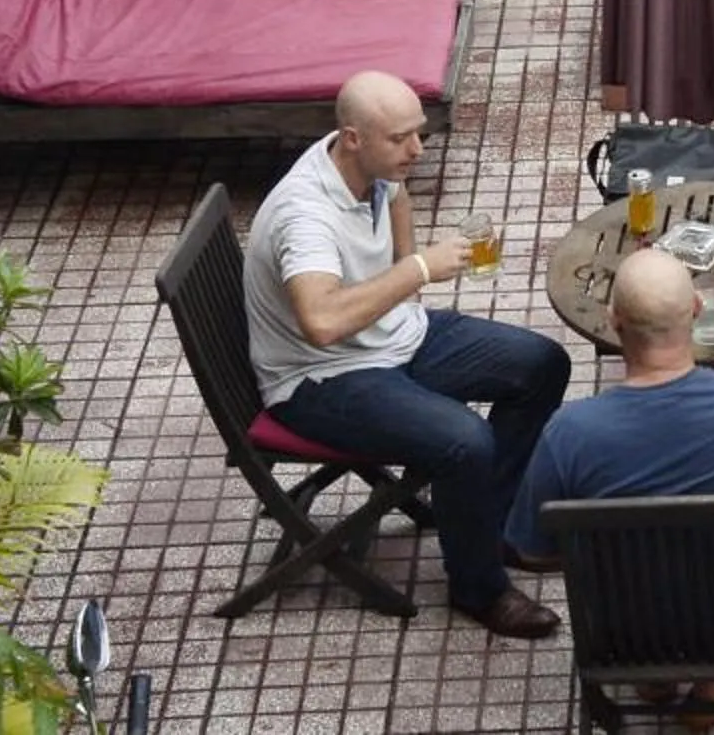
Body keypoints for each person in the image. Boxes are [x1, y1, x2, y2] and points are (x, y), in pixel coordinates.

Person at [244, 71, 571, 639]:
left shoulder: (365, 163)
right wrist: (416, 269)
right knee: (465, 442)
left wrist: (403, 260)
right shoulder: (306, 219)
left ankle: (486, 525)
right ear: (352, 137)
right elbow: (321, 323)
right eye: (401, 139)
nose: (416, 150)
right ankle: (480, 588)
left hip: (391, 336)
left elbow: (394, 193)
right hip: (322, 378)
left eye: (417, 134)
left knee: (543, 364)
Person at [506, 250, 714, 692]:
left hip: (624, 616)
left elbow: (533, 551)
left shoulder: (568, 433)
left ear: (614, 321)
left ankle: (654, 679)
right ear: (696, 310)